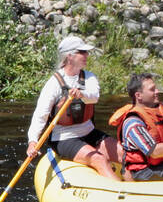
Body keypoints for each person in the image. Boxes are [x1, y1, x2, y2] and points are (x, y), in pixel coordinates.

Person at [26, 35, 121, 180]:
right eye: (82, 52)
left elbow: (94, 96)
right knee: (99, 159)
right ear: (69, 56)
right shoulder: (54, 84)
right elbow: (41, 115)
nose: (86, 55)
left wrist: (81, 94)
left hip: (89, 132)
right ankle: (120, 194)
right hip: (64, 138)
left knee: (123, 153)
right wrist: (32, 142)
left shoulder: (89, 77)